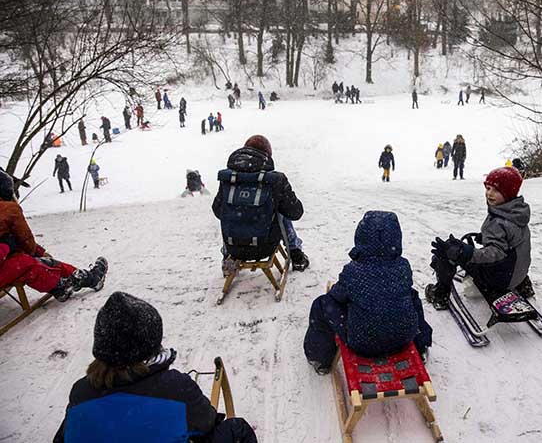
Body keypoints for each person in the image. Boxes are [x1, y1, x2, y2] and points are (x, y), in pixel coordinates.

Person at [53, 292, 257, 443]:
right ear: (150, 344)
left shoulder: (81, 391)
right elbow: (207, 423)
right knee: (236, 429)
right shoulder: (175, 387)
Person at [304, 211, 433, 375]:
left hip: (363, 343)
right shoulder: (403, 266)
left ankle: (320, 358)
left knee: (322, 304)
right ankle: (421, 343)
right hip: (403, 339)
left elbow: (337, 296)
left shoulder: (353, 271)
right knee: (411, 296)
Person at [425, 166, 534, 308]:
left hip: (499, 279)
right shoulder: (517, 213)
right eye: (488, 188)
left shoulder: (497, 222)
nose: (489, 193)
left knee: (447, 250)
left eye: (496, 190)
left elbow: (497, 253)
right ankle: (524, 285)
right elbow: (513, 241)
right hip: (518, 273)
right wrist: (485, 238)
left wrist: (464, 253)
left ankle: (440, 294)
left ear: (508, 193)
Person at [0, 169, 107, 302]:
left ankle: (76, 280)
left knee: (28, 261)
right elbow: (24, 240)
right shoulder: (8, 209)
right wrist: (8, 246)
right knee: (28, 263)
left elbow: (19, 240)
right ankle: (64, 285)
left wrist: (36, 251)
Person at [212, 135, 310, 270]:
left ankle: (227, 256)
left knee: (228, 209)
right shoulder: (275, 180)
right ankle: (295, 253)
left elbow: (217, 210)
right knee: (279, 210)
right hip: (265, 245)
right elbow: (295, 212)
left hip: (233, 247)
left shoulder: (229, 179)